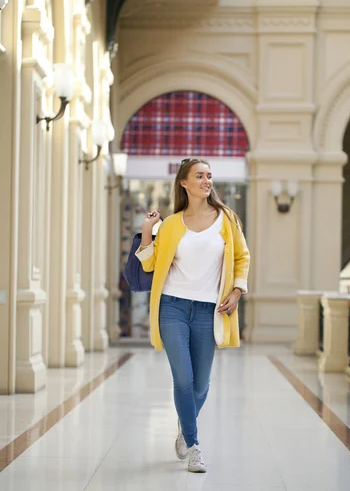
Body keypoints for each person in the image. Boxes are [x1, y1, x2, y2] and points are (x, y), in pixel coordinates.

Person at [136, 157, 250, 473]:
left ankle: (184, 423)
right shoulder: (171, 224)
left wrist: (237, 291)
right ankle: (194, 444)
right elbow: (149, 264)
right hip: (172, 306)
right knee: (183, 379)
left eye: (209, 175)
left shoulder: (227, 219)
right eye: (199, 175)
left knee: (201, 385)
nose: (206, 180)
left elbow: (242, 257)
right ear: (184, 182)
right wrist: (148, 231)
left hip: (208, 310)